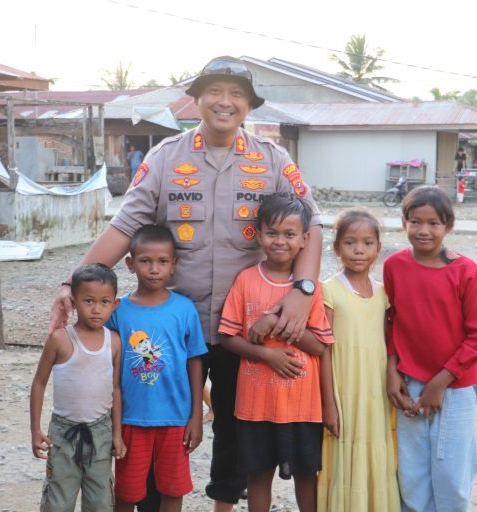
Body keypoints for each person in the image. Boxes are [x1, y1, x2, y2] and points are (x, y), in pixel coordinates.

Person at [49, 55, 323, 512]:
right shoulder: (164, 158)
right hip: (173, 326)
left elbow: (312, 226)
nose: (224, 101)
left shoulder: (273, 159)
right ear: (196, 100)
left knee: (240, 425)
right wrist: (70, 281)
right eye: (214, 91)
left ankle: (223, 506)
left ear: (248, 106)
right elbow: (125, 226)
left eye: (236, 94)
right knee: (164, 420)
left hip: (248, 328)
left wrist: (303, 290)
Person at [218, 193, 333, 512]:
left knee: (306, 476)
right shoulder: (245, 280)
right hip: (256, 407)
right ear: (258, 235)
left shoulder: (309, 288)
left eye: (289, 234)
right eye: (272, 233)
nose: (280, 241)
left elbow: (320, 344)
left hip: (302, 406)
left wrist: (275, 321)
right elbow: (228, 338)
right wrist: (267, 355)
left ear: (305, 239)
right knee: (257, 476)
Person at [384, 186, 477, 512]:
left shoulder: (465, 271)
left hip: (455, 385)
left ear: (449, 226)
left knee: (451, 472)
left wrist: (439, 383)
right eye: (415, 221)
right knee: (412, 474)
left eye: (433, 223)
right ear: (404, 223)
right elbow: (392, 321)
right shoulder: (394, 266)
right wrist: (392, 371)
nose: (424, 231)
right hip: (410, 381)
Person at [106, 225, 207, 512]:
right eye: (145, 261)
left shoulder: (184, 309)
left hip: (175, 420)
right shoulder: (118, 311)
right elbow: (107, 366)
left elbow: (195, 361)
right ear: (130, 264)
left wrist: (196, 416)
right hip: (130, 419)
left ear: (174, 265)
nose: (154, 269)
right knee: (126, 492)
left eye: (163, 262)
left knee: (173, 489)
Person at [317, 209, 400, 512]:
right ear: (336, 248)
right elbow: (323, 349)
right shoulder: (329, 290)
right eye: (350, 243)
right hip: (344, 389)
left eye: (367, 243)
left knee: (375, 450)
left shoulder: (383, 293)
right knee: (343, 454)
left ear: (378, 248)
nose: (359, 250)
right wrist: (328, 402)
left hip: (376, 392)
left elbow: (389, 341)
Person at [30, 263, 125, 512]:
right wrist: (35, 429)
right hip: (63, 434)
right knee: (58, 502)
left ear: (114, 304)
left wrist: (117, 434)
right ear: (73, 302)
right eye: (88, 301)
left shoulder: (114, 342)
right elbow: (39, 383)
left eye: (104, 302)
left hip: (101, 433)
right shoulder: (60, 338)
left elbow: (115, 390)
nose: (96, 309)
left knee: (100, 502)